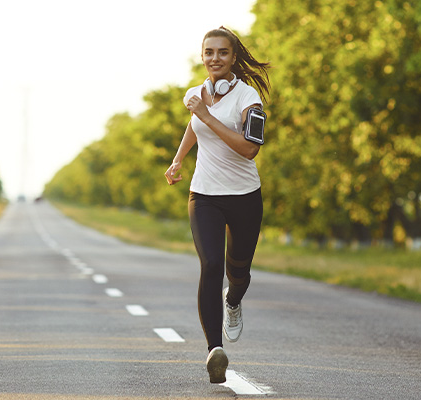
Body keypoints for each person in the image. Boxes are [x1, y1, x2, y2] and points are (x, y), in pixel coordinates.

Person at [164, 26, 270, 384]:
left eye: (222, 52)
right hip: (204, 194)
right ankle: (215, 351)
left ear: (234, 57)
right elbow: (195, 127)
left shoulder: (247, 98)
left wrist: (208, 115)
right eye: (209, 52)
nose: (214, 59)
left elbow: (249, 148)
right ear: (202, 56)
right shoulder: (195, 94)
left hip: (243, 196)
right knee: (210, 264)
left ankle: (234, 300)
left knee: (237, 273)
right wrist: (178, 159)